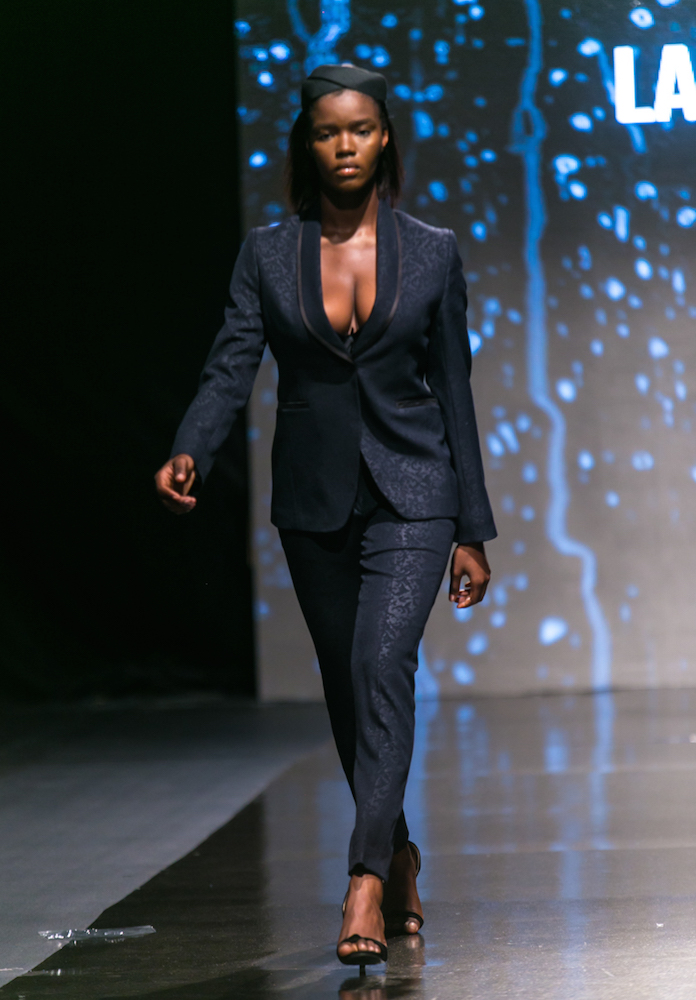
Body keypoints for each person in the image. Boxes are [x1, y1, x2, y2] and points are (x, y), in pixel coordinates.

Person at [155, 63, 496, 970]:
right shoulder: (269, 253)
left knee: (382, 665)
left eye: (362, 130)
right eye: (327, 132)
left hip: (415, 493)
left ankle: (364, 879)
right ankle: (401, 852)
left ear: (386, 140)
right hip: (313, 501)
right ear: (306, 145)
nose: (345, 146)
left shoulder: (433, 251)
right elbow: (233, 361)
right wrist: (194, 445)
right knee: (350, 690)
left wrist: (472, 527)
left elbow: (454, 391)